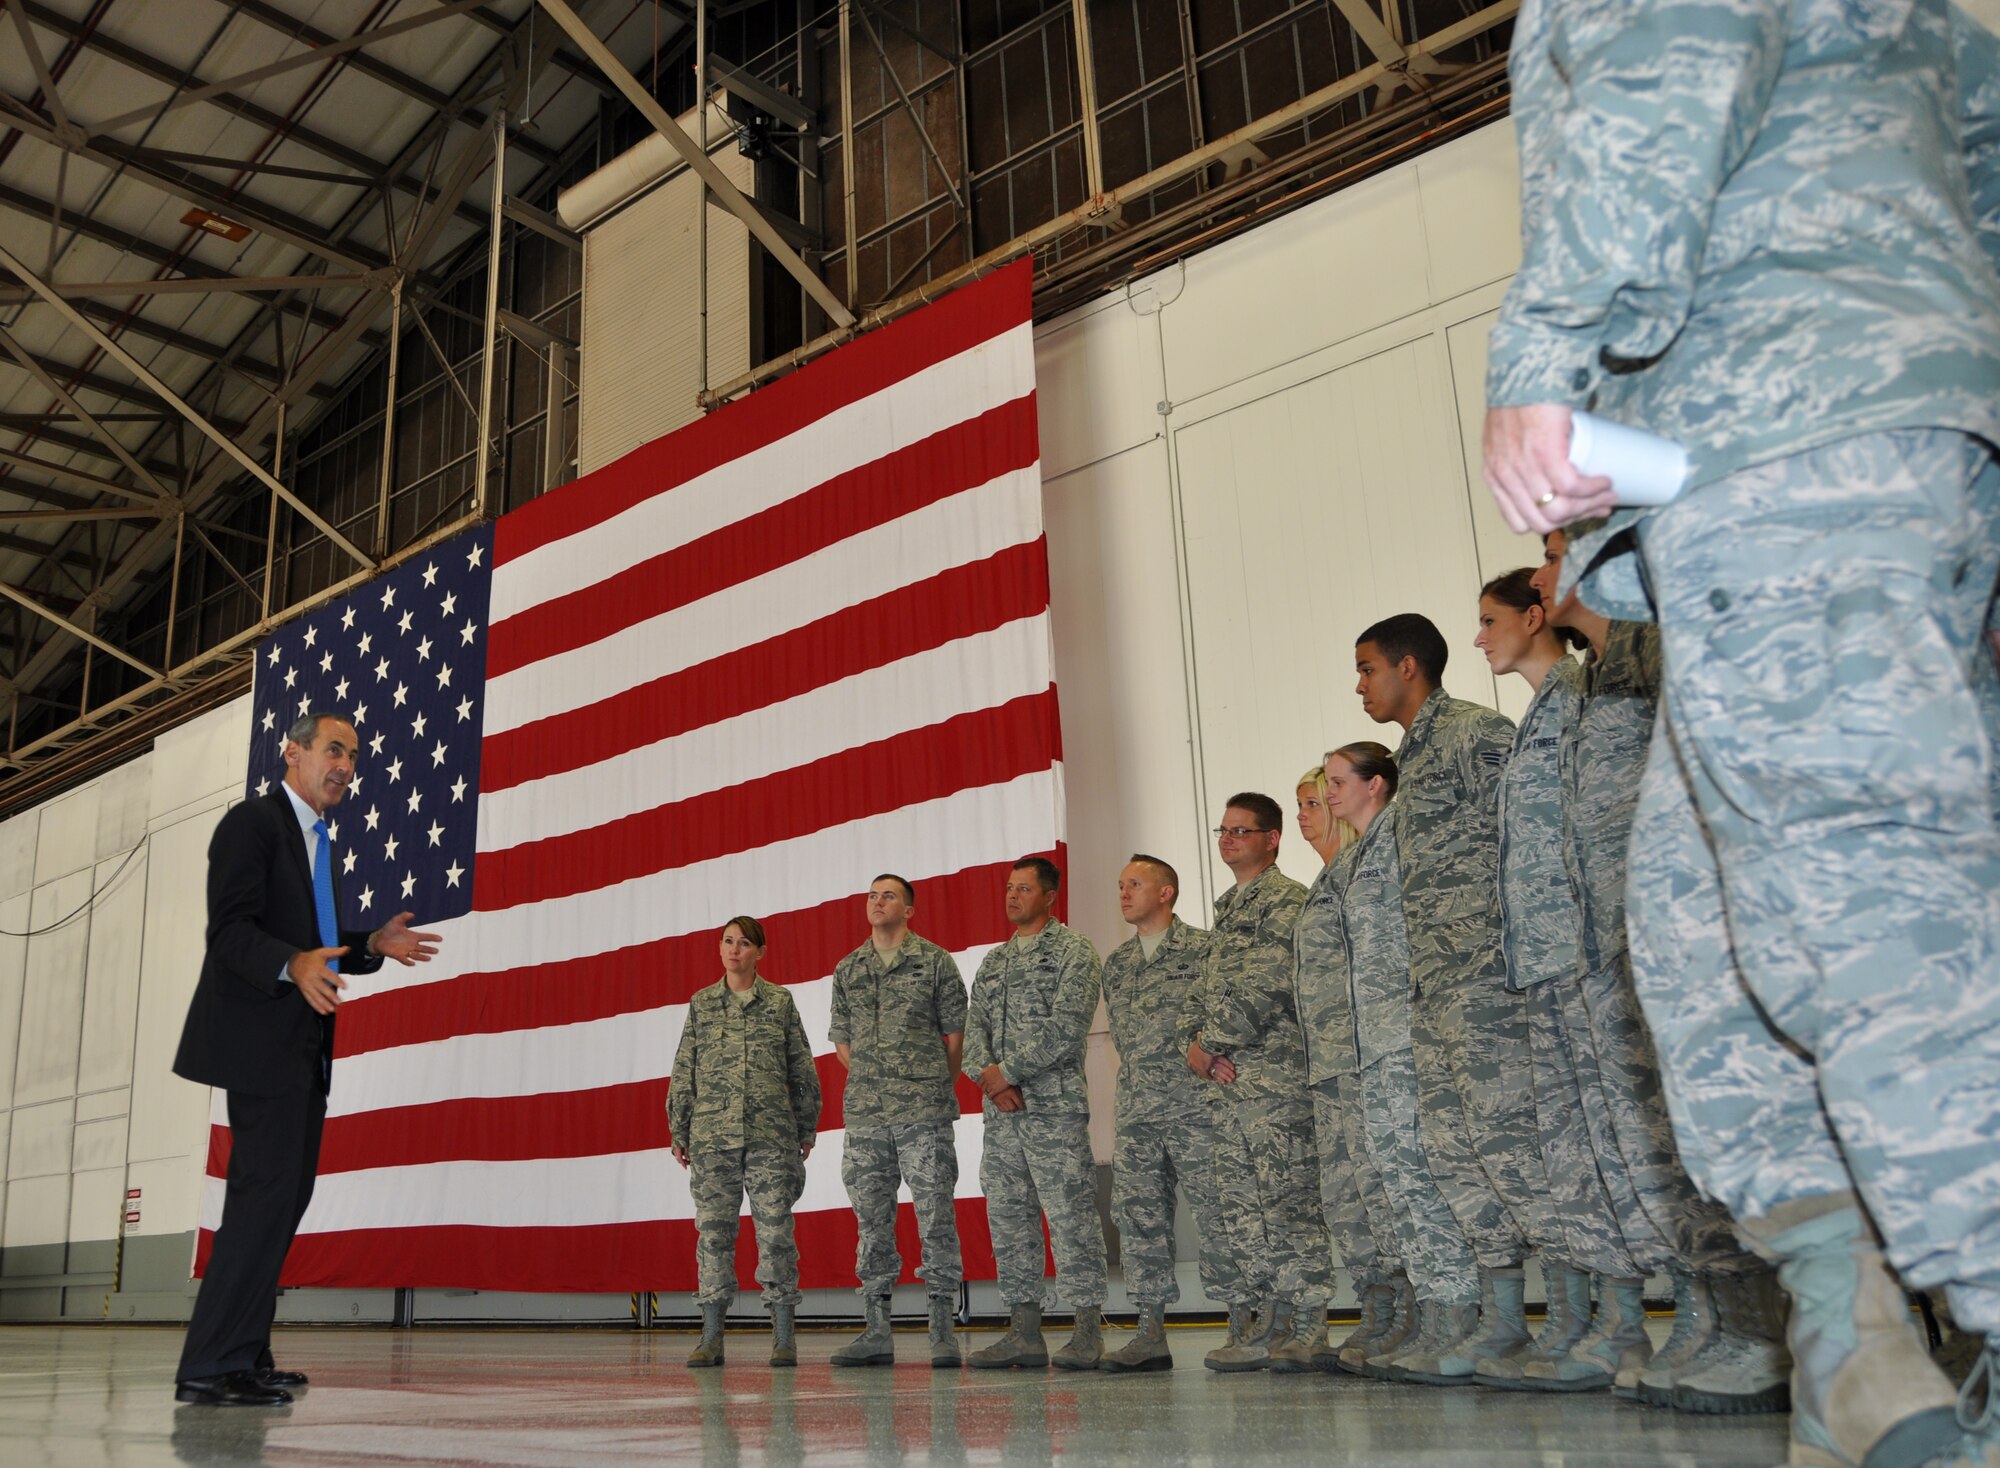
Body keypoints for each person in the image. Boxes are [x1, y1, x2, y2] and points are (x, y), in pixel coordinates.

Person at [1484, 4, 2000, 1461]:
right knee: (1700, 930)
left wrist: (1544, 350)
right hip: (1829, 442)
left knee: (1863, 909)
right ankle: (1854, 1340)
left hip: (1792, 437)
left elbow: (1671, 52)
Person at [1534, 531, 1786, 1414]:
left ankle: (1760, 1327)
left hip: (1693, 915)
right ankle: (1713, 1316)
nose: (1540, 573)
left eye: (1554, 548)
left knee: (1716, 1124)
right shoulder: (1593, 676)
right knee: (1658, 1140)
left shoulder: (1657, 631)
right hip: (1619, 935)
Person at [172, 710, 442, 1407]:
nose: (346, 767)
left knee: (281, 1204)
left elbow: (315, 943)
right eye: (333, 750)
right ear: (292, 753)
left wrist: (370, 945)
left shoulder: (316, 842)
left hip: (304, 1049)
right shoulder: (254, 825)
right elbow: (231, 931)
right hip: (259, 1043)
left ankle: (246, 1353)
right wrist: (291, 962)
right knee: (261, 1201)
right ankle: (211, 1364)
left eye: (352, 755)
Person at [1354, 614, 1559, 1384]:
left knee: (1517, 1151)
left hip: (1485, 981)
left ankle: (1579, 1320)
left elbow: (1527, 838)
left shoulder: (1475, 733)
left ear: (1409, 667)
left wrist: (1520, 961)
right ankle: (1502, 1323)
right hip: (1431, 991)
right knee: (1459, 1159)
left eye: (1368, 668)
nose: (1361, 683)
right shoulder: (1411, 761)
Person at [1475, 569, 1653, 1393]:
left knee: (1631, 1135)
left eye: (1490, 620)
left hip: (1595, 948)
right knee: (1576, 1152)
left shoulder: (1585, 691)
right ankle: (1607, 1320)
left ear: (1536, 617)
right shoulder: (1532, 720)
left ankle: (1655, 1317)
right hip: (1546, 962)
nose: (1481, 637)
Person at [1320, 743, 1480, 1380]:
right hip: (1370, 1042)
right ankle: (1432, 1317)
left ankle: (1458, 1320)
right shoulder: (1356, 854)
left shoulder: (1398, 836)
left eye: (1338, 782)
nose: (1330, 793)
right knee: (1395, 1187)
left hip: (1407, 1035)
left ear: (1376, 784)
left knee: (1421, 1177)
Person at [1176, 793, 1330, 1373]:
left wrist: (1210, 1043)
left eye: (1243, 831)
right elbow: (1197, 997)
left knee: (1288, 1204)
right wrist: (1195, 1051)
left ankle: (1310, 1325)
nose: (1230, 839)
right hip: (1226, 1089)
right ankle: (1271, 1323)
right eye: (1224, 830)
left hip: (1273, 1084)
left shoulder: (1284, 901)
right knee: (1243, 1209)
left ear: (1272, 839)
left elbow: (1267, 984)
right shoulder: (1228, 909)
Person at [961, 857, 1107, 1370]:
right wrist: (990, 1079)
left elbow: (1068, 1027)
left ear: (1050, 896)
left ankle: (1087, 1330)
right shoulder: (994, 961)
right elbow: (972, 1029)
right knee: (1010, 1220)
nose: (1013, 896)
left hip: (1054, 1111)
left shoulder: (1074, 951)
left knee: (1070, 1217)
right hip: (1002, 1117)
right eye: (1008, 887)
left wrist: (1009, 1073)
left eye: (1024, 888)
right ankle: (1024, 1331)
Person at [1096, 855, 1239, 1372]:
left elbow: (1220, 1017)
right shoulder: (1116, 964)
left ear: (1166, 892)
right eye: (1120, 884)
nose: (1124, 892)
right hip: (1137, 1112)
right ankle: (1150, 1331)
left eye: (1134, 883)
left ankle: (1242, 1324)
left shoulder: (1204, 948)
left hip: (1196, 1107)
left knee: (1218, 1214)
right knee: (1138, 1219)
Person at [1291, 765, 1411, 1373]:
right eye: (1302, 805)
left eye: (1315, 800)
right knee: (1346, 1201)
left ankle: (1411, 1313)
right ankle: (1377, 1308)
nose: (1307, 813)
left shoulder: (1368, 864)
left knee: (1383, 1189)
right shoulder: (1326, 880)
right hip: (1330, 1064)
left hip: (1370, 1055)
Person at [827, 874, 969, 1369]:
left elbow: (955, 1037)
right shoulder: (849, 969)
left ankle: (942, 1330)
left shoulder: (934, 962)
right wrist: (876, 1074)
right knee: (871, 1222)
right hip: (866, 1115)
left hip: (924, 1112)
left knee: (935, 1216)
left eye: (888, 895)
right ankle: (876, 1330)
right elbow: (842, 1042)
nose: (877, 902)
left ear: (909, 909)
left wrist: (926, 1081)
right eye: (871, 894)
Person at [668, 917, 822, 1369]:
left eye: (744, 944)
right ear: (720, 949)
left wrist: (805, 1128)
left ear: (760, 952)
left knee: (775, 1234)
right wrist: (680, 1129)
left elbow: (801, 1069)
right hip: (713, 1138)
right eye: (728, 942)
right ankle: (712, 1337)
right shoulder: (702, 1005)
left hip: (770, 1136)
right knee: (714, 1235)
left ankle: (783, 1338)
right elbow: (685, 1070)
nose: (735, 950)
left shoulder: (779, 1002)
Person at [1296, 763, 1359, 866]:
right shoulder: (1331, 871)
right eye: (1300, 805)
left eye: (1312, 804)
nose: (1300, 815)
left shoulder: (1358, 864)